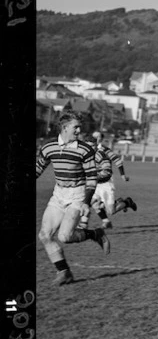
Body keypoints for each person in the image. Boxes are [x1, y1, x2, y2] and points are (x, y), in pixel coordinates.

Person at [36, 111, 111, 286]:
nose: (79, 130)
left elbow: (92, 178)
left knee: (65, 236)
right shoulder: (48, 147)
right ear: (64, 127)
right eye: (75, 127)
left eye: (79, 127)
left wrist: (86, 201)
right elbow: (37, 170)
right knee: (45, 235)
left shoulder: (84, 149)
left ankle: (95, 234)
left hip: (78, 195)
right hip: (58, 195)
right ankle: (64, 272)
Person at [91, 131, 137, 216]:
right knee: (89, 203)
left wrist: (122, 175)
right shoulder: (88, 149)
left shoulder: (104, 150)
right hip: (95, 181)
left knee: (110, 211)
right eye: (94, 136)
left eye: (97, 137)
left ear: (100, 139)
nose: (95, 138)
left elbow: (117, 161)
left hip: (105, 180)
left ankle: (127, 202)